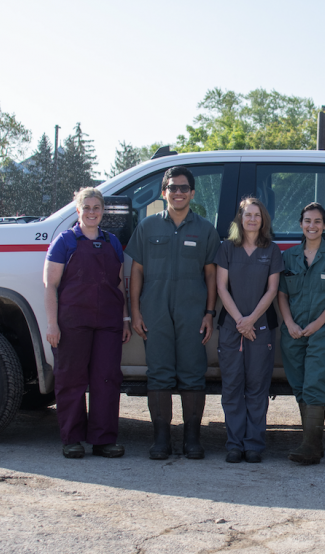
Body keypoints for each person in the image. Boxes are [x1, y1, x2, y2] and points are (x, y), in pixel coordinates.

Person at [125, 166, 219, 461]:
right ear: (163, 192)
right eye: (172, 188)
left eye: (183, 188)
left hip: (193, 311)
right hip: (155, 310)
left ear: (192, 193)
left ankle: (192, 439)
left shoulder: (205, 229)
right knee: (159, 374)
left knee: (193, 374)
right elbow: (136, 272)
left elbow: (211, 275)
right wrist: (135, 311)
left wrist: (209, 313)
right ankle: (161, 439)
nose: (177, 192)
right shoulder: (147, 227)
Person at [44, 187, 131, 459]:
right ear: (78, 210)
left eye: (97, 208)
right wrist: (52, 324)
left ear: (103, 211)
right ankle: (72, 439)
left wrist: (125, 318)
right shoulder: (65, 242)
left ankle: (104, 440)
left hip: (108, 320)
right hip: (72, 321)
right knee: (71, 379)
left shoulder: (112, 242)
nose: (92, 212)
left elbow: (120, 285)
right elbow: (50, 285)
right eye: (87, 207)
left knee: (107, 378)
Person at [278, 203, 325, 465]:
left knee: (315, 385)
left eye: (318, 221)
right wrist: (289, 323)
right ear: (300, 224)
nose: (312, 226)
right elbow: (282, 294)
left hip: (322, 331)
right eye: (308, 221)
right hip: (294, 332)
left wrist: (319, 323)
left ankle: (309, 446)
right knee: (299, 386)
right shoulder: (288, 257)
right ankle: (313, 443)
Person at [214, 197, 283, 464]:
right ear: (239, 220)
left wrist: (251, 319)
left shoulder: (272, 250)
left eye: (257, 215)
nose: (252, 219)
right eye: (247, 215)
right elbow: (221, 288)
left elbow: (273, 290)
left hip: (261, 328)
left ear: (263, 219)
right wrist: (241, 322)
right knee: (232, 387)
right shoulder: (227, 249)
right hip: (232, 327)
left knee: (257, 388)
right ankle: (234, 444)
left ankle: (253, 444)